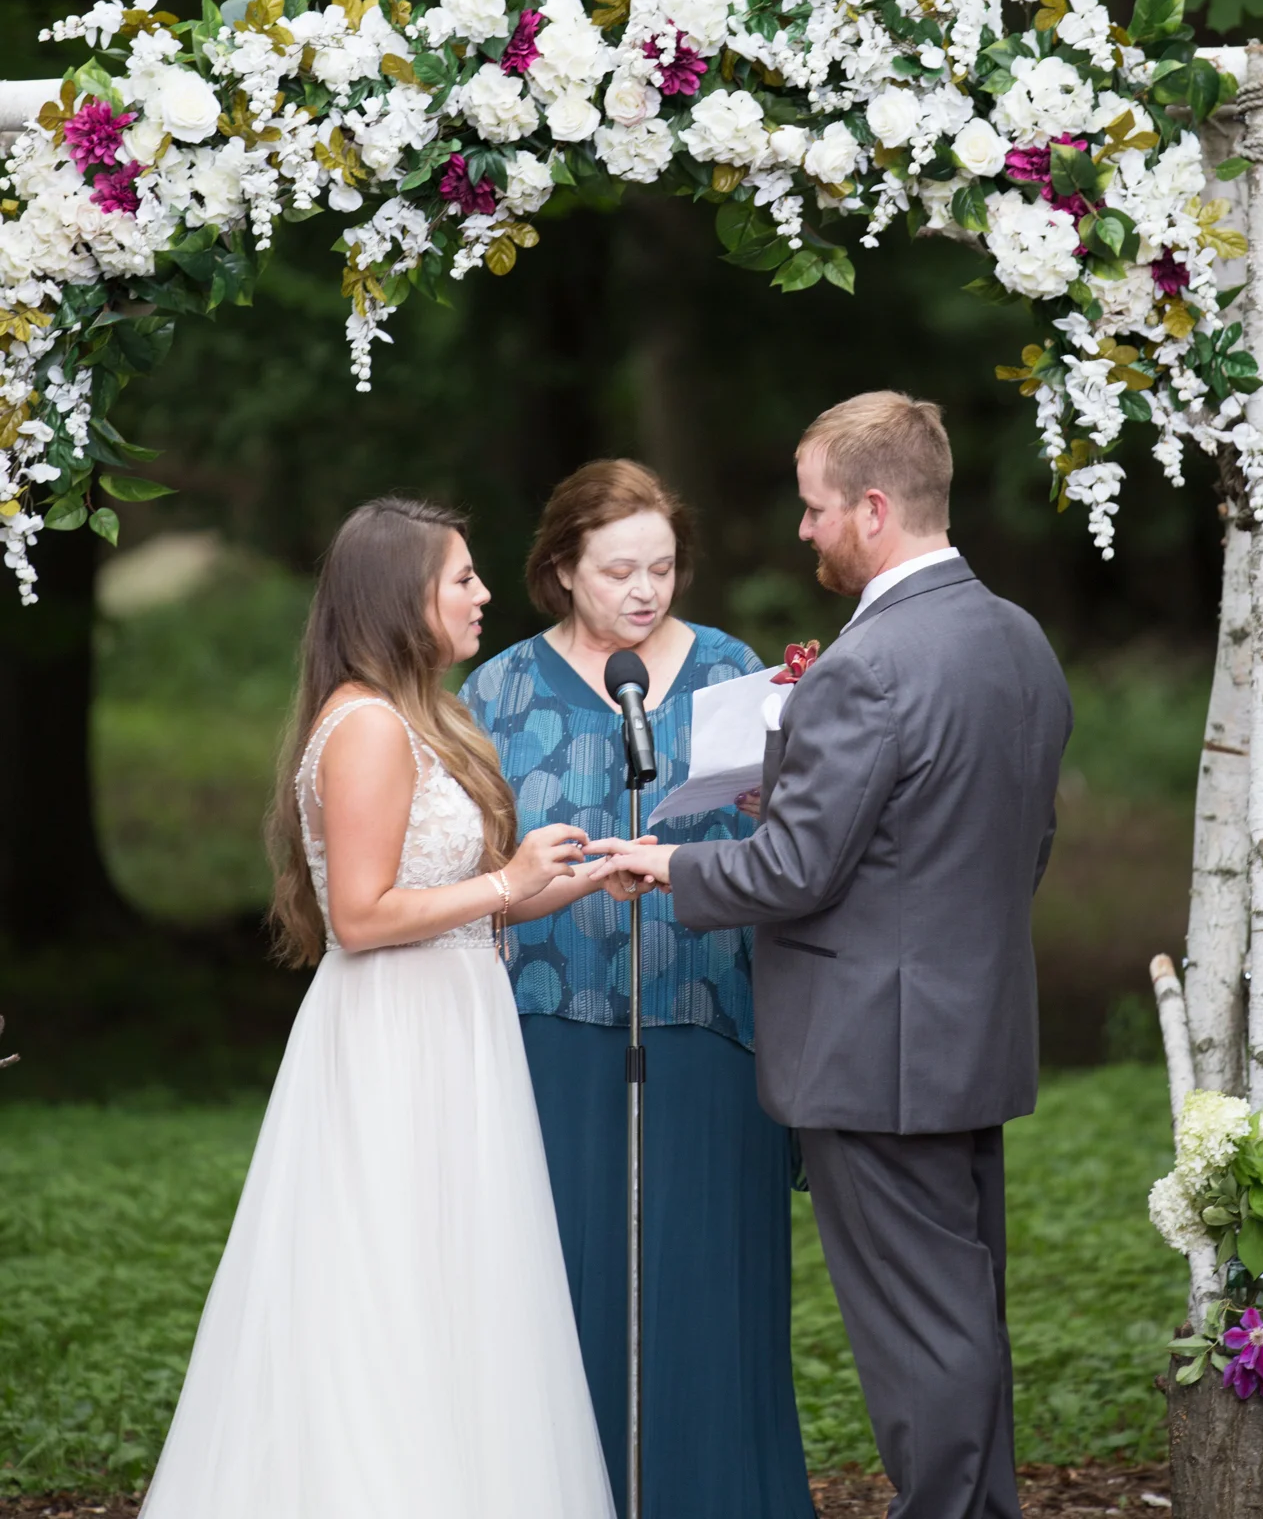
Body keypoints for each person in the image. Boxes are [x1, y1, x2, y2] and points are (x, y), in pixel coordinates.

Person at [602, 393, 1073, 1519]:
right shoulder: (1016, 635)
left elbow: (792, 873)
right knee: (961, 1310)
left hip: (873, 1049)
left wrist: (668, 865)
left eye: (815, 507)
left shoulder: (869, 663)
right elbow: (1004, 835)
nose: (804, 528)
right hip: (969, 1026)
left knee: (918, 1335)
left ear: (871, 507)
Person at [140, 496, 617, 1519]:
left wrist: (574, 878)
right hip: (395, 1035)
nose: (483, 594)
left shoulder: (424, 715)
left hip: (454, 1019)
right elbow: (360, 916)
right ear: (402, 596)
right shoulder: (364, 726)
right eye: (462, 577)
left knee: (458, 1280)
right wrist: (505, 880)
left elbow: (458, 902)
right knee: (386, 1278)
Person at [460, 459, 813, 1519]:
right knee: (561, 1292)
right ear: (562, 567)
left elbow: (791, 844)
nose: (644, 590)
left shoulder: (733, 671)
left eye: (661, 567)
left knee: (707, 1291)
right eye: (618, 570)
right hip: (549, 1034)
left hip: (708, 1022)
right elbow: (462, 867)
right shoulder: (497, 691)